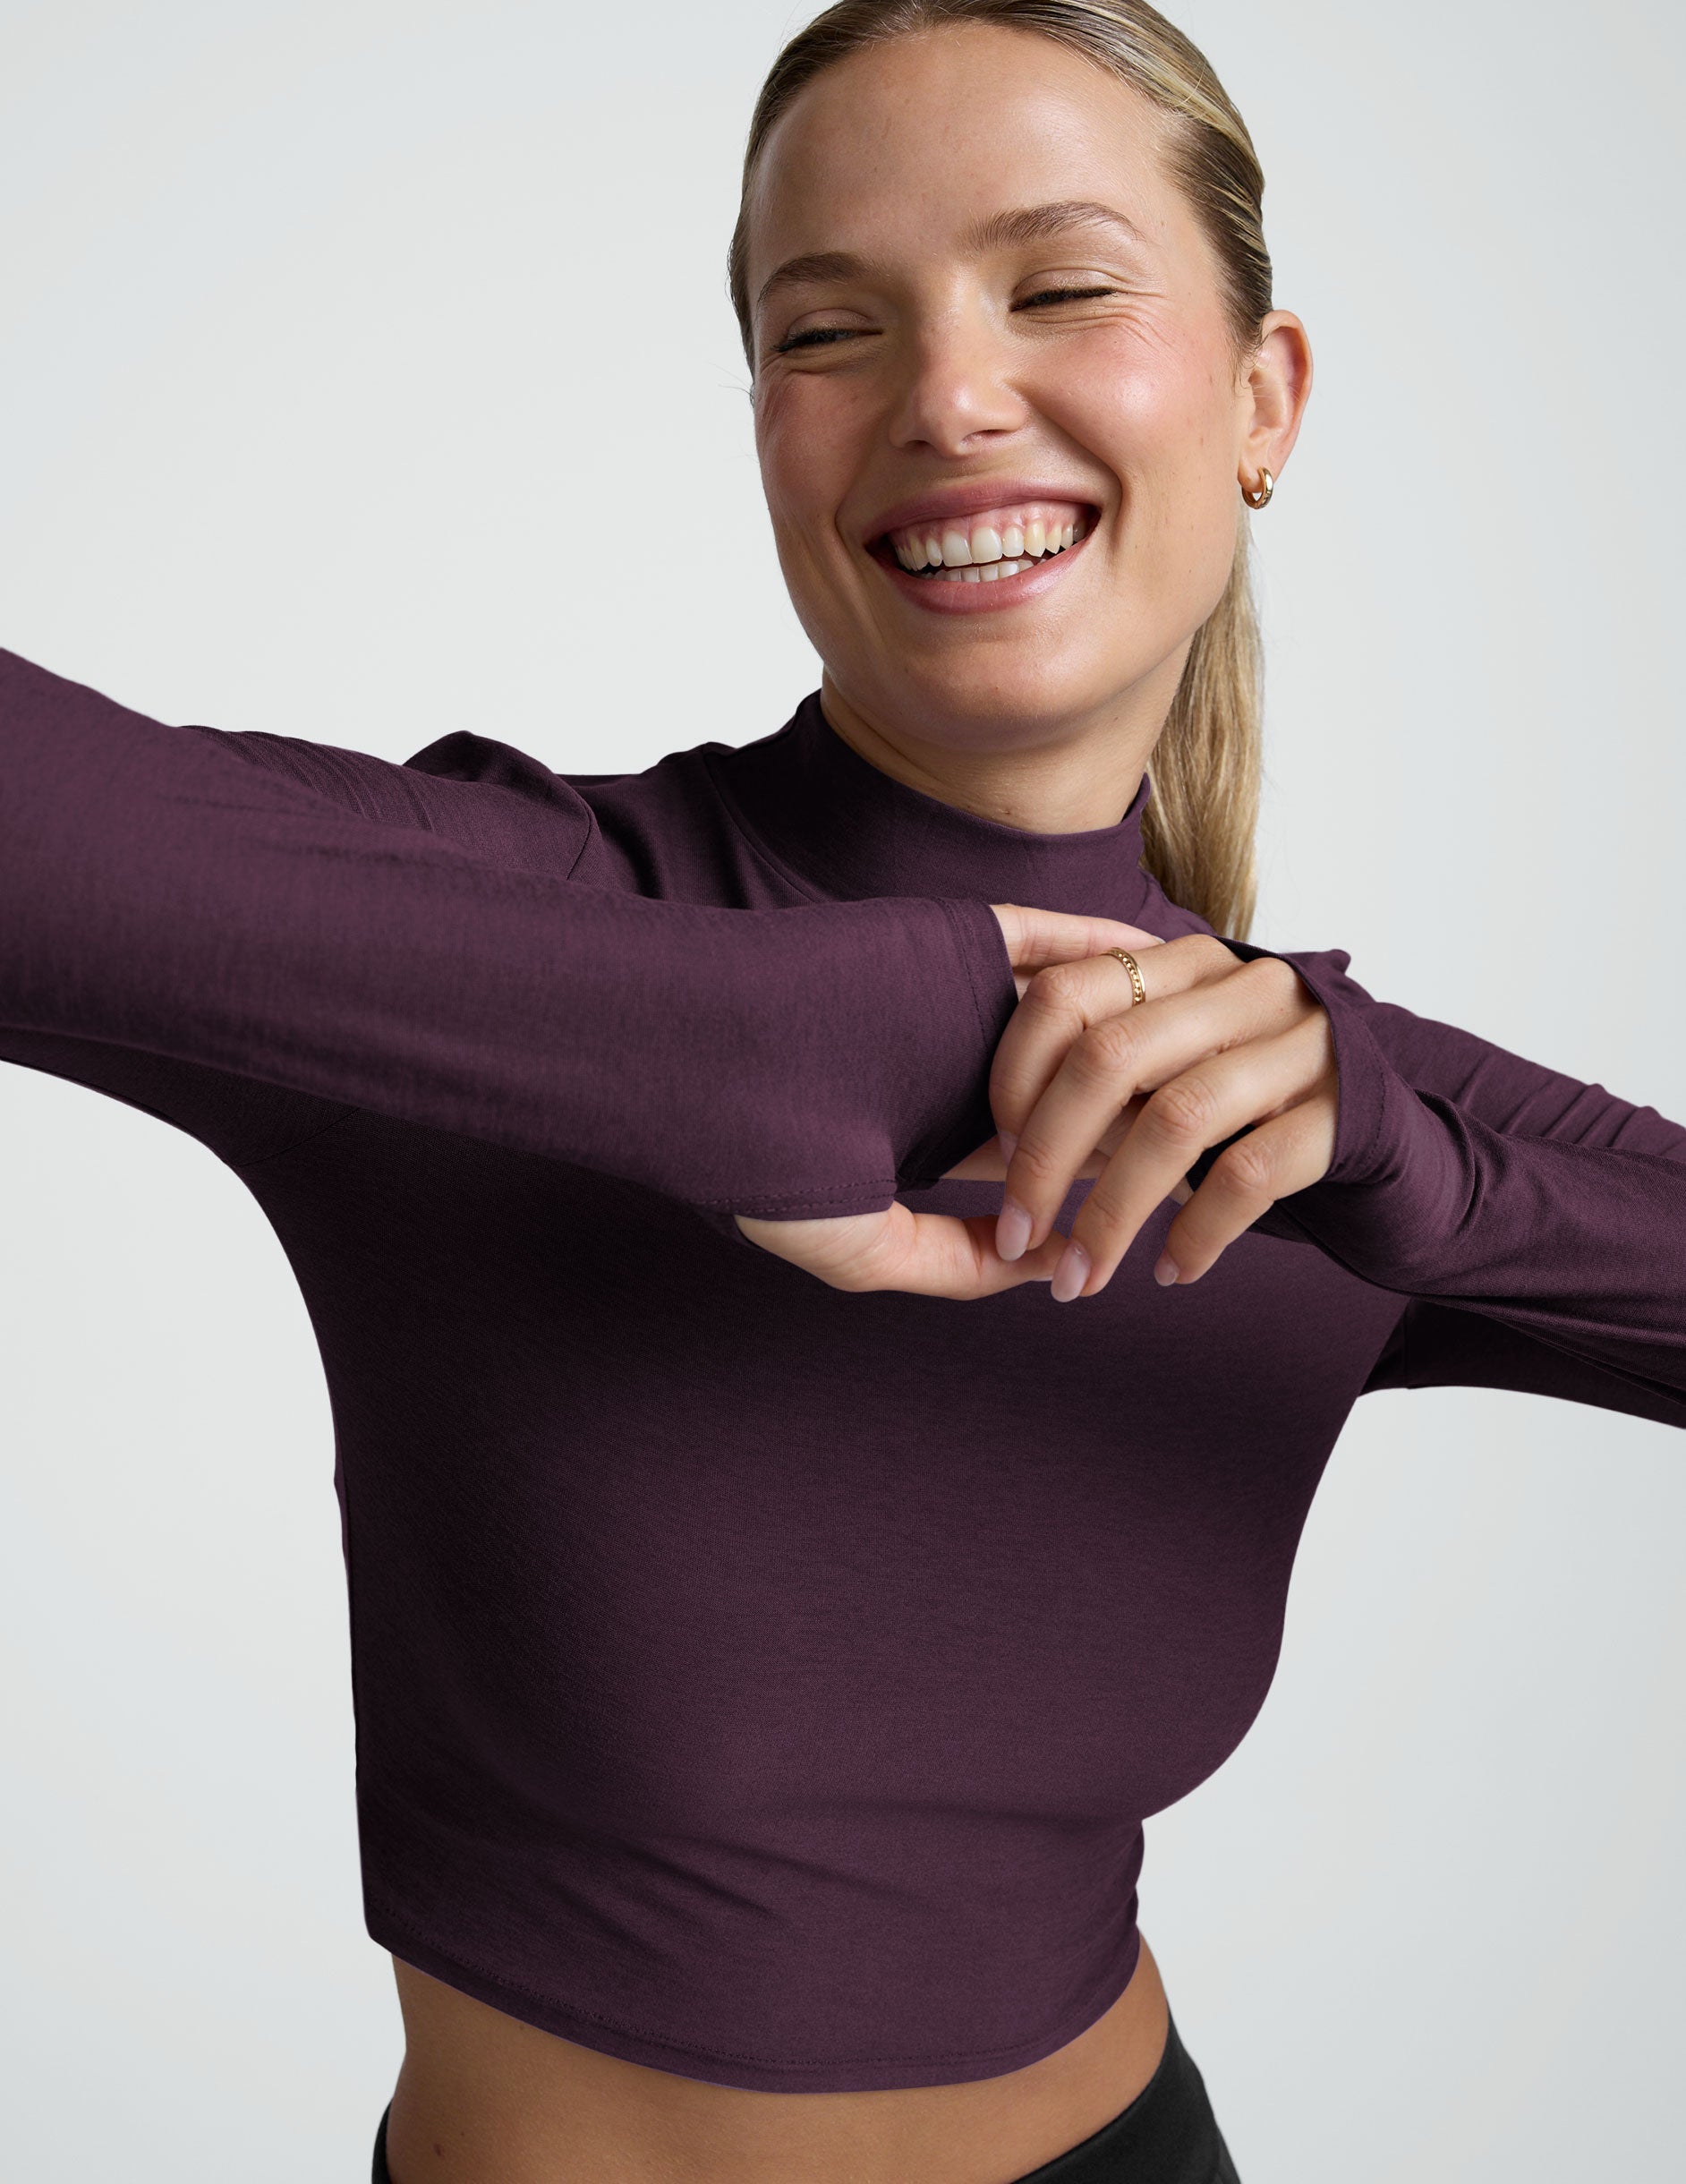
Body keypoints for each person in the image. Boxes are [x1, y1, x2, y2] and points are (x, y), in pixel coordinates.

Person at [3, 1, 1681, 2179]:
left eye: (1059, 286)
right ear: (769, 438)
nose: (951, 396)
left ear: (1264, 399)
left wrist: (1419, 1171)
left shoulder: (1282, 1100)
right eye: (827, 330)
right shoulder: (522, 928)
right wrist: (769, 1028)